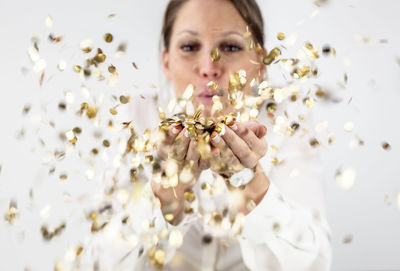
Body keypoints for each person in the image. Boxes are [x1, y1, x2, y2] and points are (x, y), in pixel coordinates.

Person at [127, 0, 332, 270]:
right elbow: (102, 261)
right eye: (189, 47)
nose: (209, 68)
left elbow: (315, 262)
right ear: (166, 62)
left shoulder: (286, 118)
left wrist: (250, 183)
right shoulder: (137, 119)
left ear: (260, 63)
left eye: (231, 47)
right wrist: (168, 197)